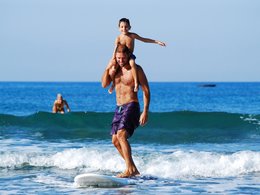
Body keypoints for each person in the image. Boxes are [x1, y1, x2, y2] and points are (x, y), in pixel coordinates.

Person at [102, 44, 150, 178]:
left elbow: (146, 90)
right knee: (115, 141)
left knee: (121, 135)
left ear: (128, 56)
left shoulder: (136, 70)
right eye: (118, 58)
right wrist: (107, 69)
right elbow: (104, 84)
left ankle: (129, 170)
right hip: (119, 107)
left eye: (123, 58)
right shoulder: (115, 69)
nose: (120, 61)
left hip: (132, 105)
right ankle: (133, 169)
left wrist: (145, 111)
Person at [108, 17, 166, 94]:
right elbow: (115, 48)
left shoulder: (132, 35)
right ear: (119, 28)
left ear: (129, 27)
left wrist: (157, 42)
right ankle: (113, 84)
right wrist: (113, 58)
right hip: (121, 56)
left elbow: (144, 40)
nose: (124, 28)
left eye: (126, 27)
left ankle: (136, 83)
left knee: (132, 63)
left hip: (129, 55)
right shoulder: (118, 38)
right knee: (114, 66)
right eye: (122, 27)